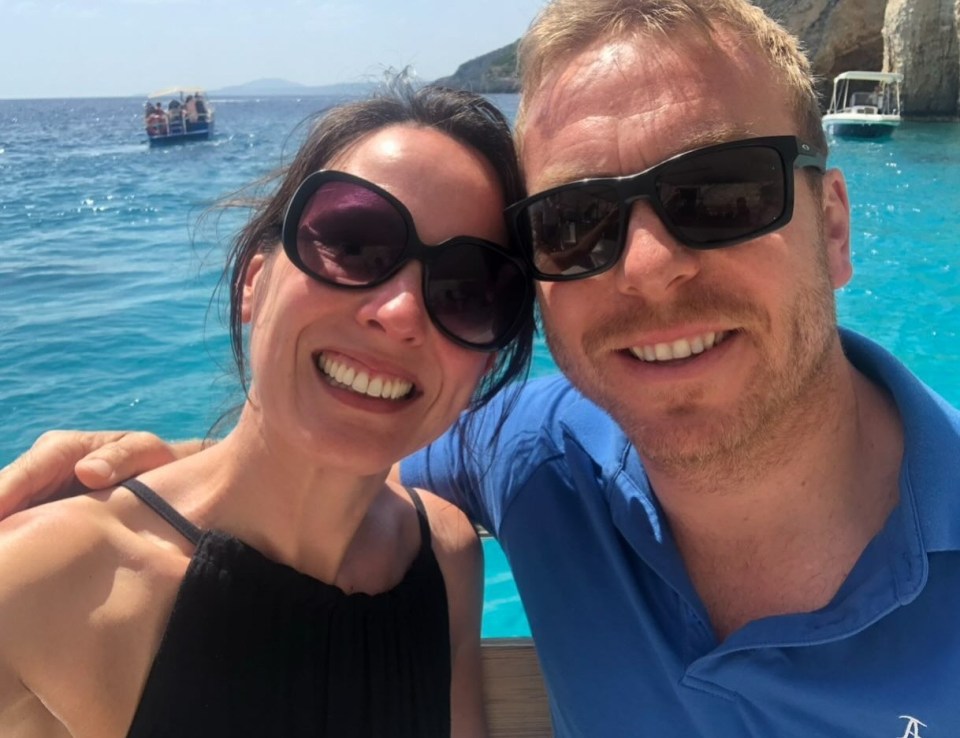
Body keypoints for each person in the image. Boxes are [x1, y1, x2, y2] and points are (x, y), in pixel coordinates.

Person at [2, 1, 959, 735]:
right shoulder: (538, 457)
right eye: (575, 224)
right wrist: (177, 474)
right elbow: (339, 454)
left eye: (718, 195)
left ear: (833, 228)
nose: (649, 265)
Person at [0, 83, 535, 737]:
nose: (399, 313)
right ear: (255, 281)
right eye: (354, 242)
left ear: (487, 362)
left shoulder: (446, 556)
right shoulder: (54, 579)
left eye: (466, 289)